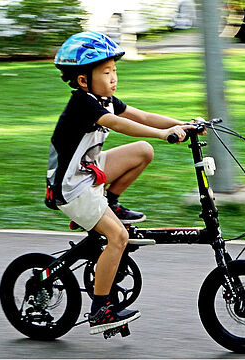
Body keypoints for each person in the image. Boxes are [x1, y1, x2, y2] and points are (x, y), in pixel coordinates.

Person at [46, 31, 194, 335]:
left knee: (143, 151)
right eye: (106, 72)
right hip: (73, 187)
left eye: (115, 71)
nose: (113, 77)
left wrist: (183, 123)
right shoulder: (83, 104)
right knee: (118, 238)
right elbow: (118, 124)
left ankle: (110, 202)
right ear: (84, 79)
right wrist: (165, 134)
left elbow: (142, 115)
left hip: (89, 171)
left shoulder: (105, 99)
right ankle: (101, 309)